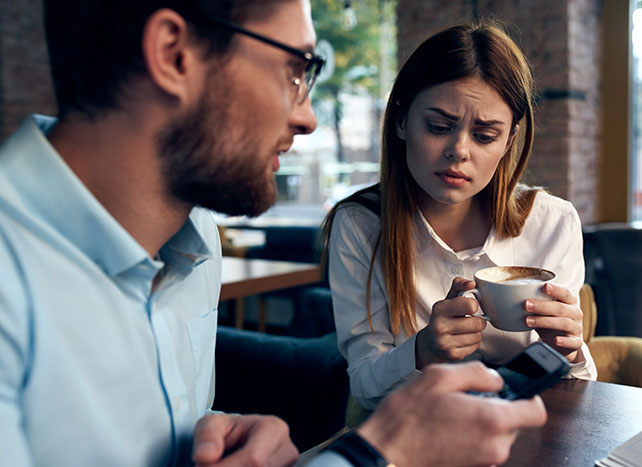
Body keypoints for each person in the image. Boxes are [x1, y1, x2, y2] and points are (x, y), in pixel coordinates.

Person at [0, 1, 546, 466]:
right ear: (174, 55)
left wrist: (221, 432)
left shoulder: (194, 237)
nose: (307, 116)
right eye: (295, 68)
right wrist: (373, 453)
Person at [324, 20, 598, 410]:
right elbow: (365, 385)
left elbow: (578, 385)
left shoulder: (552, 223)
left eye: (485, 136)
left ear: (508, 141)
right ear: (401, 121)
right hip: (416, 427)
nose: (459, 150)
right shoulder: (360, 225)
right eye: (438, 126)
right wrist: (424, 350)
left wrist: (568, 352)